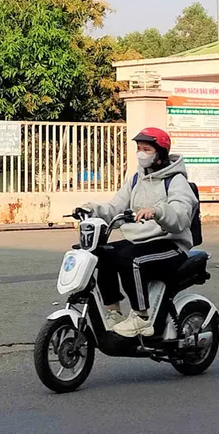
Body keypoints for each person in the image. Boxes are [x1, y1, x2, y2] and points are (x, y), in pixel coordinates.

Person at [79, 127, 198, 338]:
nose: (141, 154)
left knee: (130, 259)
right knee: (103, 253)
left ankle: (142, 318)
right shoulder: (136, 179)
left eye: (147, 149)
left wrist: (158, 211)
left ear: (160, 153)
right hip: (141, 242)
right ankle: (114, 312)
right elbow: (115, 207)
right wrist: (91, 209)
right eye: (139, 149)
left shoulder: (176, 181)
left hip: (171, 244)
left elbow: (180, 217)